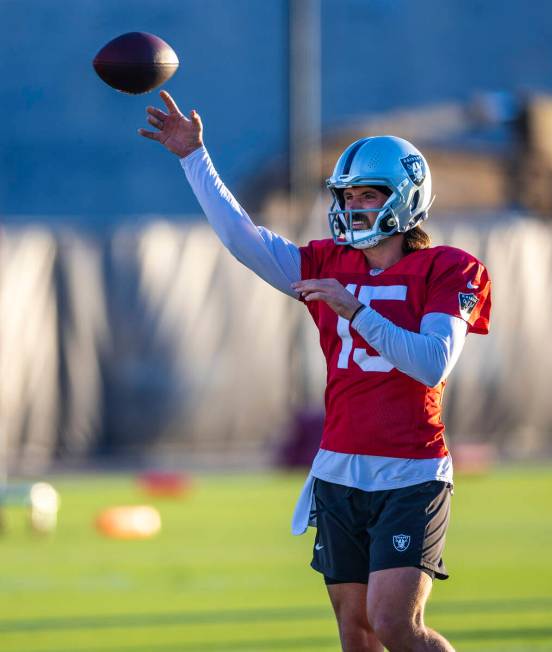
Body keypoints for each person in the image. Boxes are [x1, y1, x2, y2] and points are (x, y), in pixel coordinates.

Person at [139, 91, 491, 652]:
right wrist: (193, 157)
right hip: (339, 468)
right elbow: (242, 238)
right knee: (357, 634)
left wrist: (355, 309)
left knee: (396, 624)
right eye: (346, 196)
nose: (352, 207)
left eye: (368, 195)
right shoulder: (329, 261)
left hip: (411, 471)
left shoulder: (450, 268)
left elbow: (431, 364)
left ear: (405, 200)